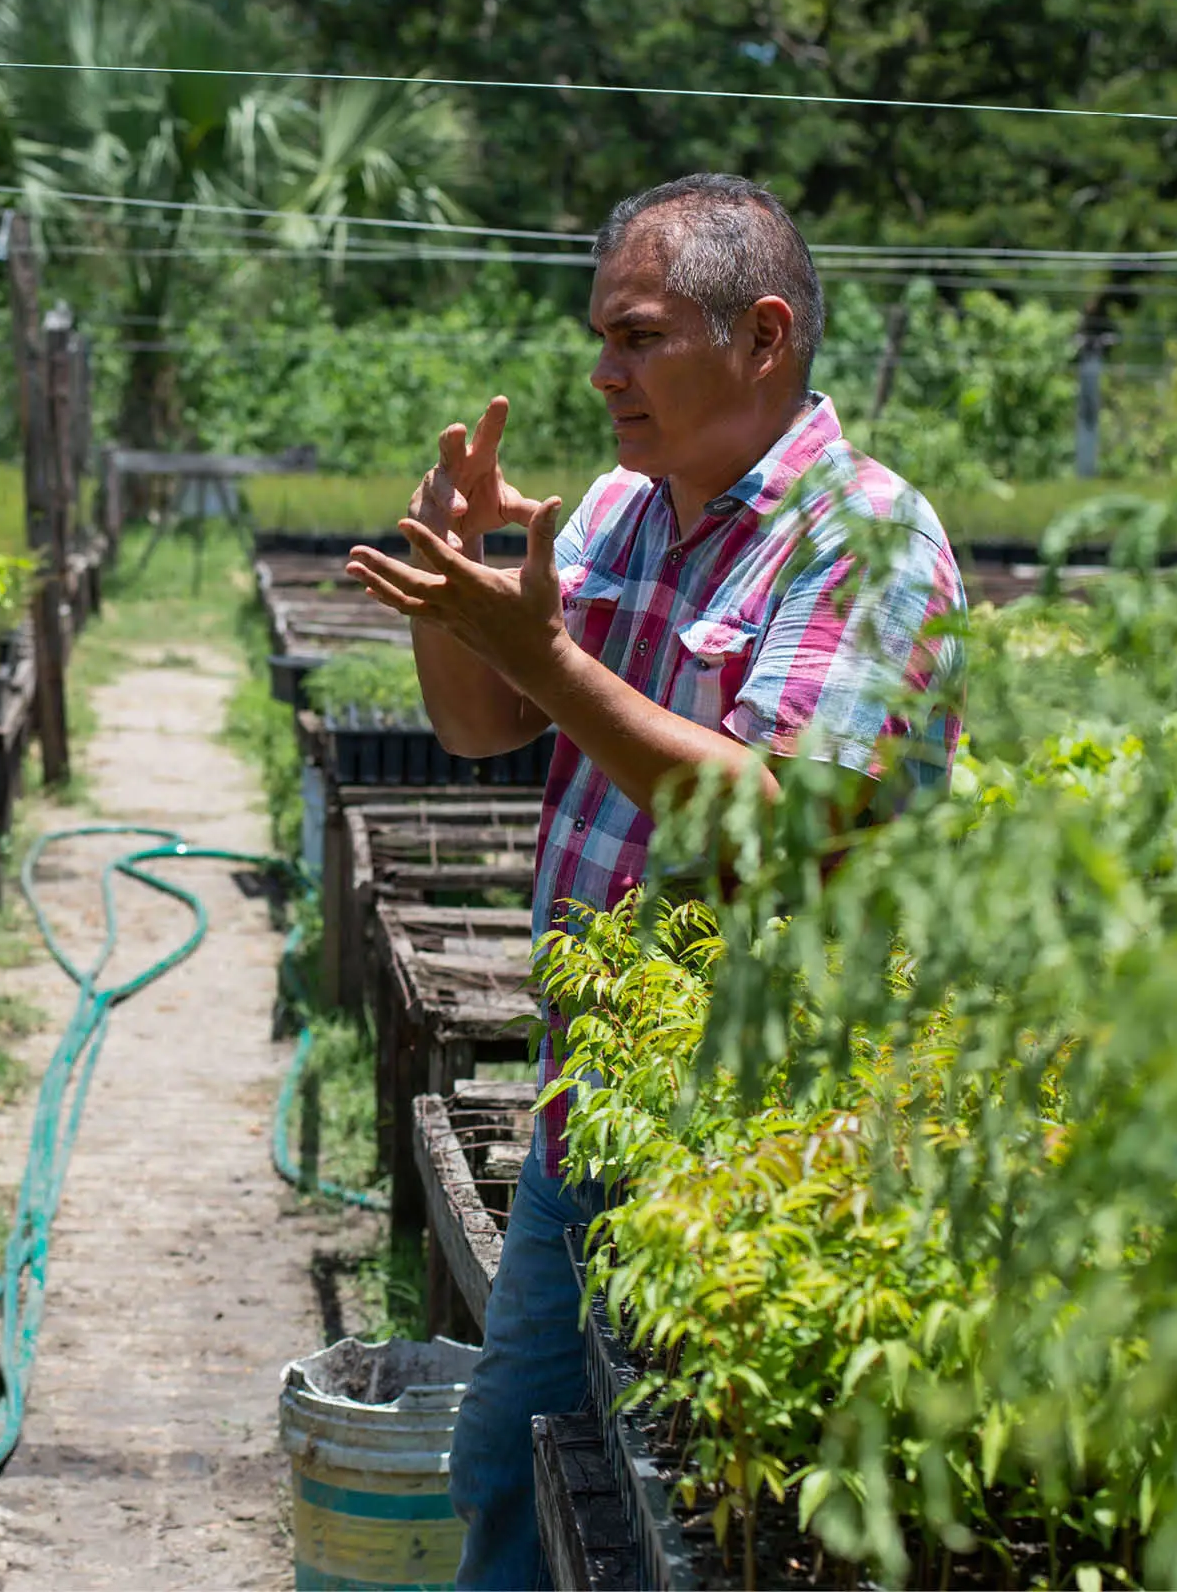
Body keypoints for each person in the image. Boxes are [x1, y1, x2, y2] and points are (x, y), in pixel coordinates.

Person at [345, 174, 966, 1589]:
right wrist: (471, 574)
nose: (598, 370)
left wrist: (544, 652)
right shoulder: (624, 512)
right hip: (590, 1108)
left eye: (633, 336)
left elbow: (775, 822)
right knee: (505, 1471)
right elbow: (477, 725)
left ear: (758, 335)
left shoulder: (866, 544)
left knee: (683, 1529)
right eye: (598, 337)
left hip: (757, 1142)